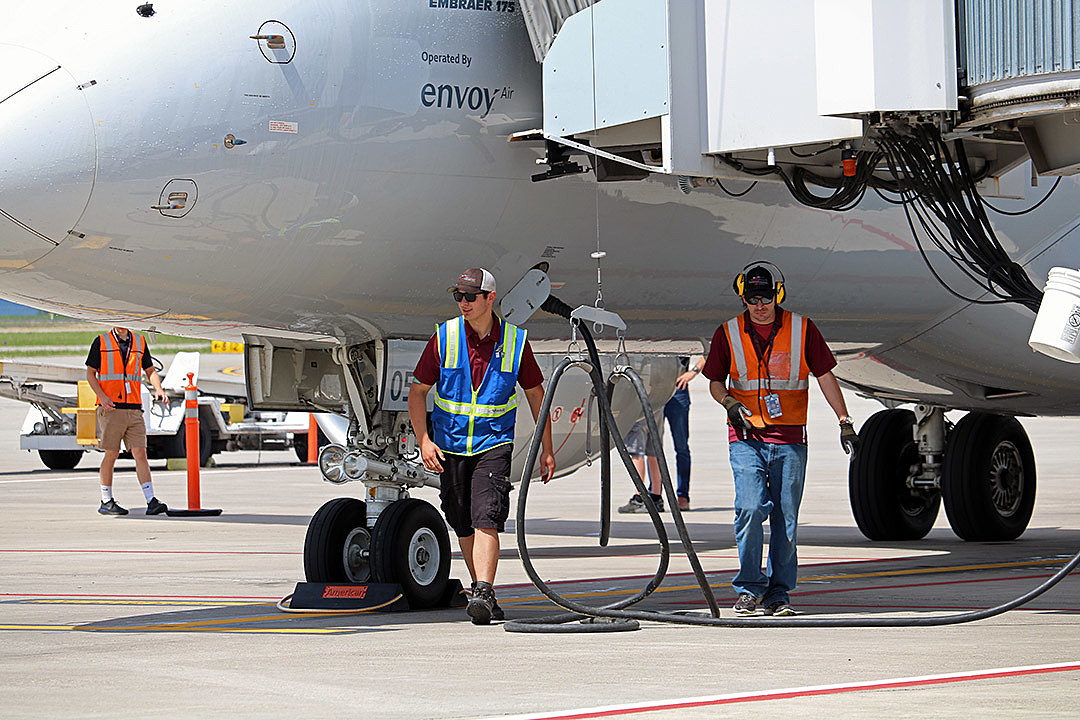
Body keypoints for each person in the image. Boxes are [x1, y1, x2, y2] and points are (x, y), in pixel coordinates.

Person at [702, 264, 859, 617]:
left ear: (779, 295)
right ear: (743, 297)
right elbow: (714, 380)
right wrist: (727, 401)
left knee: (786, 519)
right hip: (745, 437)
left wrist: (844, 420)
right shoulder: (727, 332)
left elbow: (825, 376)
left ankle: (778, 592)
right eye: (753, 298)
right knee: (750, 508)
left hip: (789, 439)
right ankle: (748, 587)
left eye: (766, 297)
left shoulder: (802, 329)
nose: (760, 305)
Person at [408, 267, 556, 625]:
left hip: (494, 442)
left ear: (490, 298)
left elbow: (536, 394)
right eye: (458, 296)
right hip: (451, 443)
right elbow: (418, 391)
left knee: (486, 516)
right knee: (461, 521)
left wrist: (546, 447)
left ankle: (485, 591)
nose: (463, 303)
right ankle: (480, 589)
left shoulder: (516, 341)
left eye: (470, 297)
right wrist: (423, 440)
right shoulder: (445, 337)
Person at [85, 327, 169, 516]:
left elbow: (150, 370)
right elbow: (90, 373)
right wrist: (102, 396)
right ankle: (106, 500)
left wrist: (159, 389)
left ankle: (151, 500)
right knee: (112, 453)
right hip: (111, 408)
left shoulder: (139, 342)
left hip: (133, 408)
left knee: (140, 452)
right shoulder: (101, 341)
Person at [664, 355, 704, 511]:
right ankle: (655, 493)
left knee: (681, 447)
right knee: (652, 448)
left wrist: (693, 371)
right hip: (656, 389)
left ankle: (682, 495)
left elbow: (707, 350)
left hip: (678, 390)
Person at [616, 416, 665, 513]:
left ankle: (639, 497)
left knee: (636, 453)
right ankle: (656, 496)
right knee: (654, 451)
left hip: (639, 411)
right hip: (656, 407)